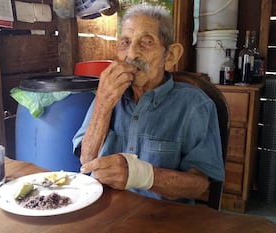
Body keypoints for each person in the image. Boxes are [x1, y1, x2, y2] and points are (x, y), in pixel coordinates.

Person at [73, 3, 224, 203]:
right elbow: (86, 160)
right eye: (125, 42)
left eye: (146, 42)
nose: (132, 54)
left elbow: (198, 185)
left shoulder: (195, 105)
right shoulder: (107, 95)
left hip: (162, 219)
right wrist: (103, 103)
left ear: (170, 55)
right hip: (106, 211)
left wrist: (142, 175)